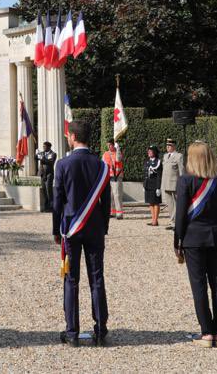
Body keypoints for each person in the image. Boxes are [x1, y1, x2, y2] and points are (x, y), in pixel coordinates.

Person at [53, 119, 111, 347]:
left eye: (68, 136)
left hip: (71, 227)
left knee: (71, 279)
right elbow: (105, 202)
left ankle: (72, 332)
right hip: (95, 227)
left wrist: (55, 228)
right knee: (97, 278)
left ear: (73, 137)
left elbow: (58, 200)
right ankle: (100, 329)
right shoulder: (101, 165)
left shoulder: (63, 164)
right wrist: (103, 226)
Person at [174, 141, 217, 348]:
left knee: (199, 286)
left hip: (193, 239)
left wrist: (176, 241)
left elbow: (180, 215)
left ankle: (206, 333)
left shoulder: (185, 180)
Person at [161, 138, 183, 230]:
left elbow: (181, 170)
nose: (167, 147)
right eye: (167, 145)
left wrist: (182, 182)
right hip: (166, 183)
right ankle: (172, 221)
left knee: (177, 204)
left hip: (175, 183)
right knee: (169, 204)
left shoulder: (179, 156)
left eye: (169, 146)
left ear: (174, 146)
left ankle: (177, 222)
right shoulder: (165, 156)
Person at [102, 139, 124, 220]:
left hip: (117, 176)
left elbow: (118, 159)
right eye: (107, 145)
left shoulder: (118, 153)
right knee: (110, 196)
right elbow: (103, 164)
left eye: (110, 145)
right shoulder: (105, 154)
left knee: (117, 195)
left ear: (113, 145)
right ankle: (113, 212)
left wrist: (118, 148)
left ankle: (119, 213)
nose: (108, 146)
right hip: (108, 177)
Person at [143, 145, 163, 226]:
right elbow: (145, 174)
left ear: (154, 152)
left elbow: (159, 176)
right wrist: (144, 185)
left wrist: (158, 187)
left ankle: (155, 220)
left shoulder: (158, 162)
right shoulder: (147, 161)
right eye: (148, 151)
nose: (149, 152)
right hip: (148, 184)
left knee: (156, 203)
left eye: (150, 151)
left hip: (155, 184)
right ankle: (153, 219)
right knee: (150, 203)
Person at [37, 141, 57, 210]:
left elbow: (51, 162)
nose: (44, 148)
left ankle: (51, 206)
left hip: (49, 174)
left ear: (49, 147)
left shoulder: (53, 154)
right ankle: (46, 207)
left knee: (49, 190)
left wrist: (43, 159)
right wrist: (37, 155)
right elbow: (36, 157)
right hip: (42, 174)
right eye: (43, 146)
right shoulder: (42, 153)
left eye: (45, 147)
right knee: (44, 190)